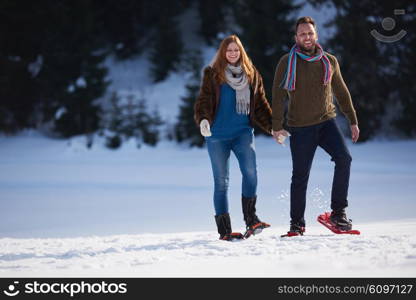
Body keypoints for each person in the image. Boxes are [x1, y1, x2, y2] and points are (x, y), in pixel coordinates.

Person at [272, 17, 360, 235]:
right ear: (296, 38)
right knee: (300, 176)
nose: (307, 37)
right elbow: (278, 95)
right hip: (300, 127)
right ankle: (297, 224)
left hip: (326, 122)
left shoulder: (328, 61)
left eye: (310, 33)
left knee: (344, 159)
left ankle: (338, 214)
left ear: (316, 35)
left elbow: (341, 91)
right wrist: (276, 126)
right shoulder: (287, 62)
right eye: (302, 34)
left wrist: (353, 120)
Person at [194, 34, 272, 241]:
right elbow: (203, 100)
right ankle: (225, 231)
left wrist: (274, 128)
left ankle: (251, 219)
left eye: (236, 50)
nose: (232, 53)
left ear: (241, 52)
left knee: (251, 173)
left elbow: (261, 105)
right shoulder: (212, 74)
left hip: (243, 133)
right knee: (221, 182)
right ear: (222, 53)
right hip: (217, 136)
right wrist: (203, 119)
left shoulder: (251, 74)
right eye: (228, 50)